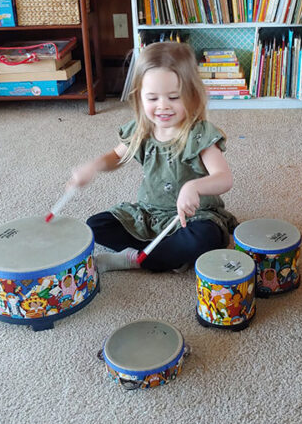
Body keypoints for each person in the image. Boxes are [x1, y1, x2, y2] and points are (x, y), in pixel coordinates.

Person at [67, 41, 237, 273]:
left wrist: (194, 186)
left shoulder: (200, 134)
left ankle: (138, 258)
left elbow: (224, 178)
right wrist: (93, 166)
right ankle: (166, 255)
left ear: (192, 95)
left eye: (174, 97)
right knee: (96, 226)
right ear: (140, 97)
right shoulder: (141, 129)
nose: (163, 106)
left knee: (206, 239)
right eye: (153, 98)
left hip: (194, 218)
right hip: (149, 215)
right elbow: (116, 157)